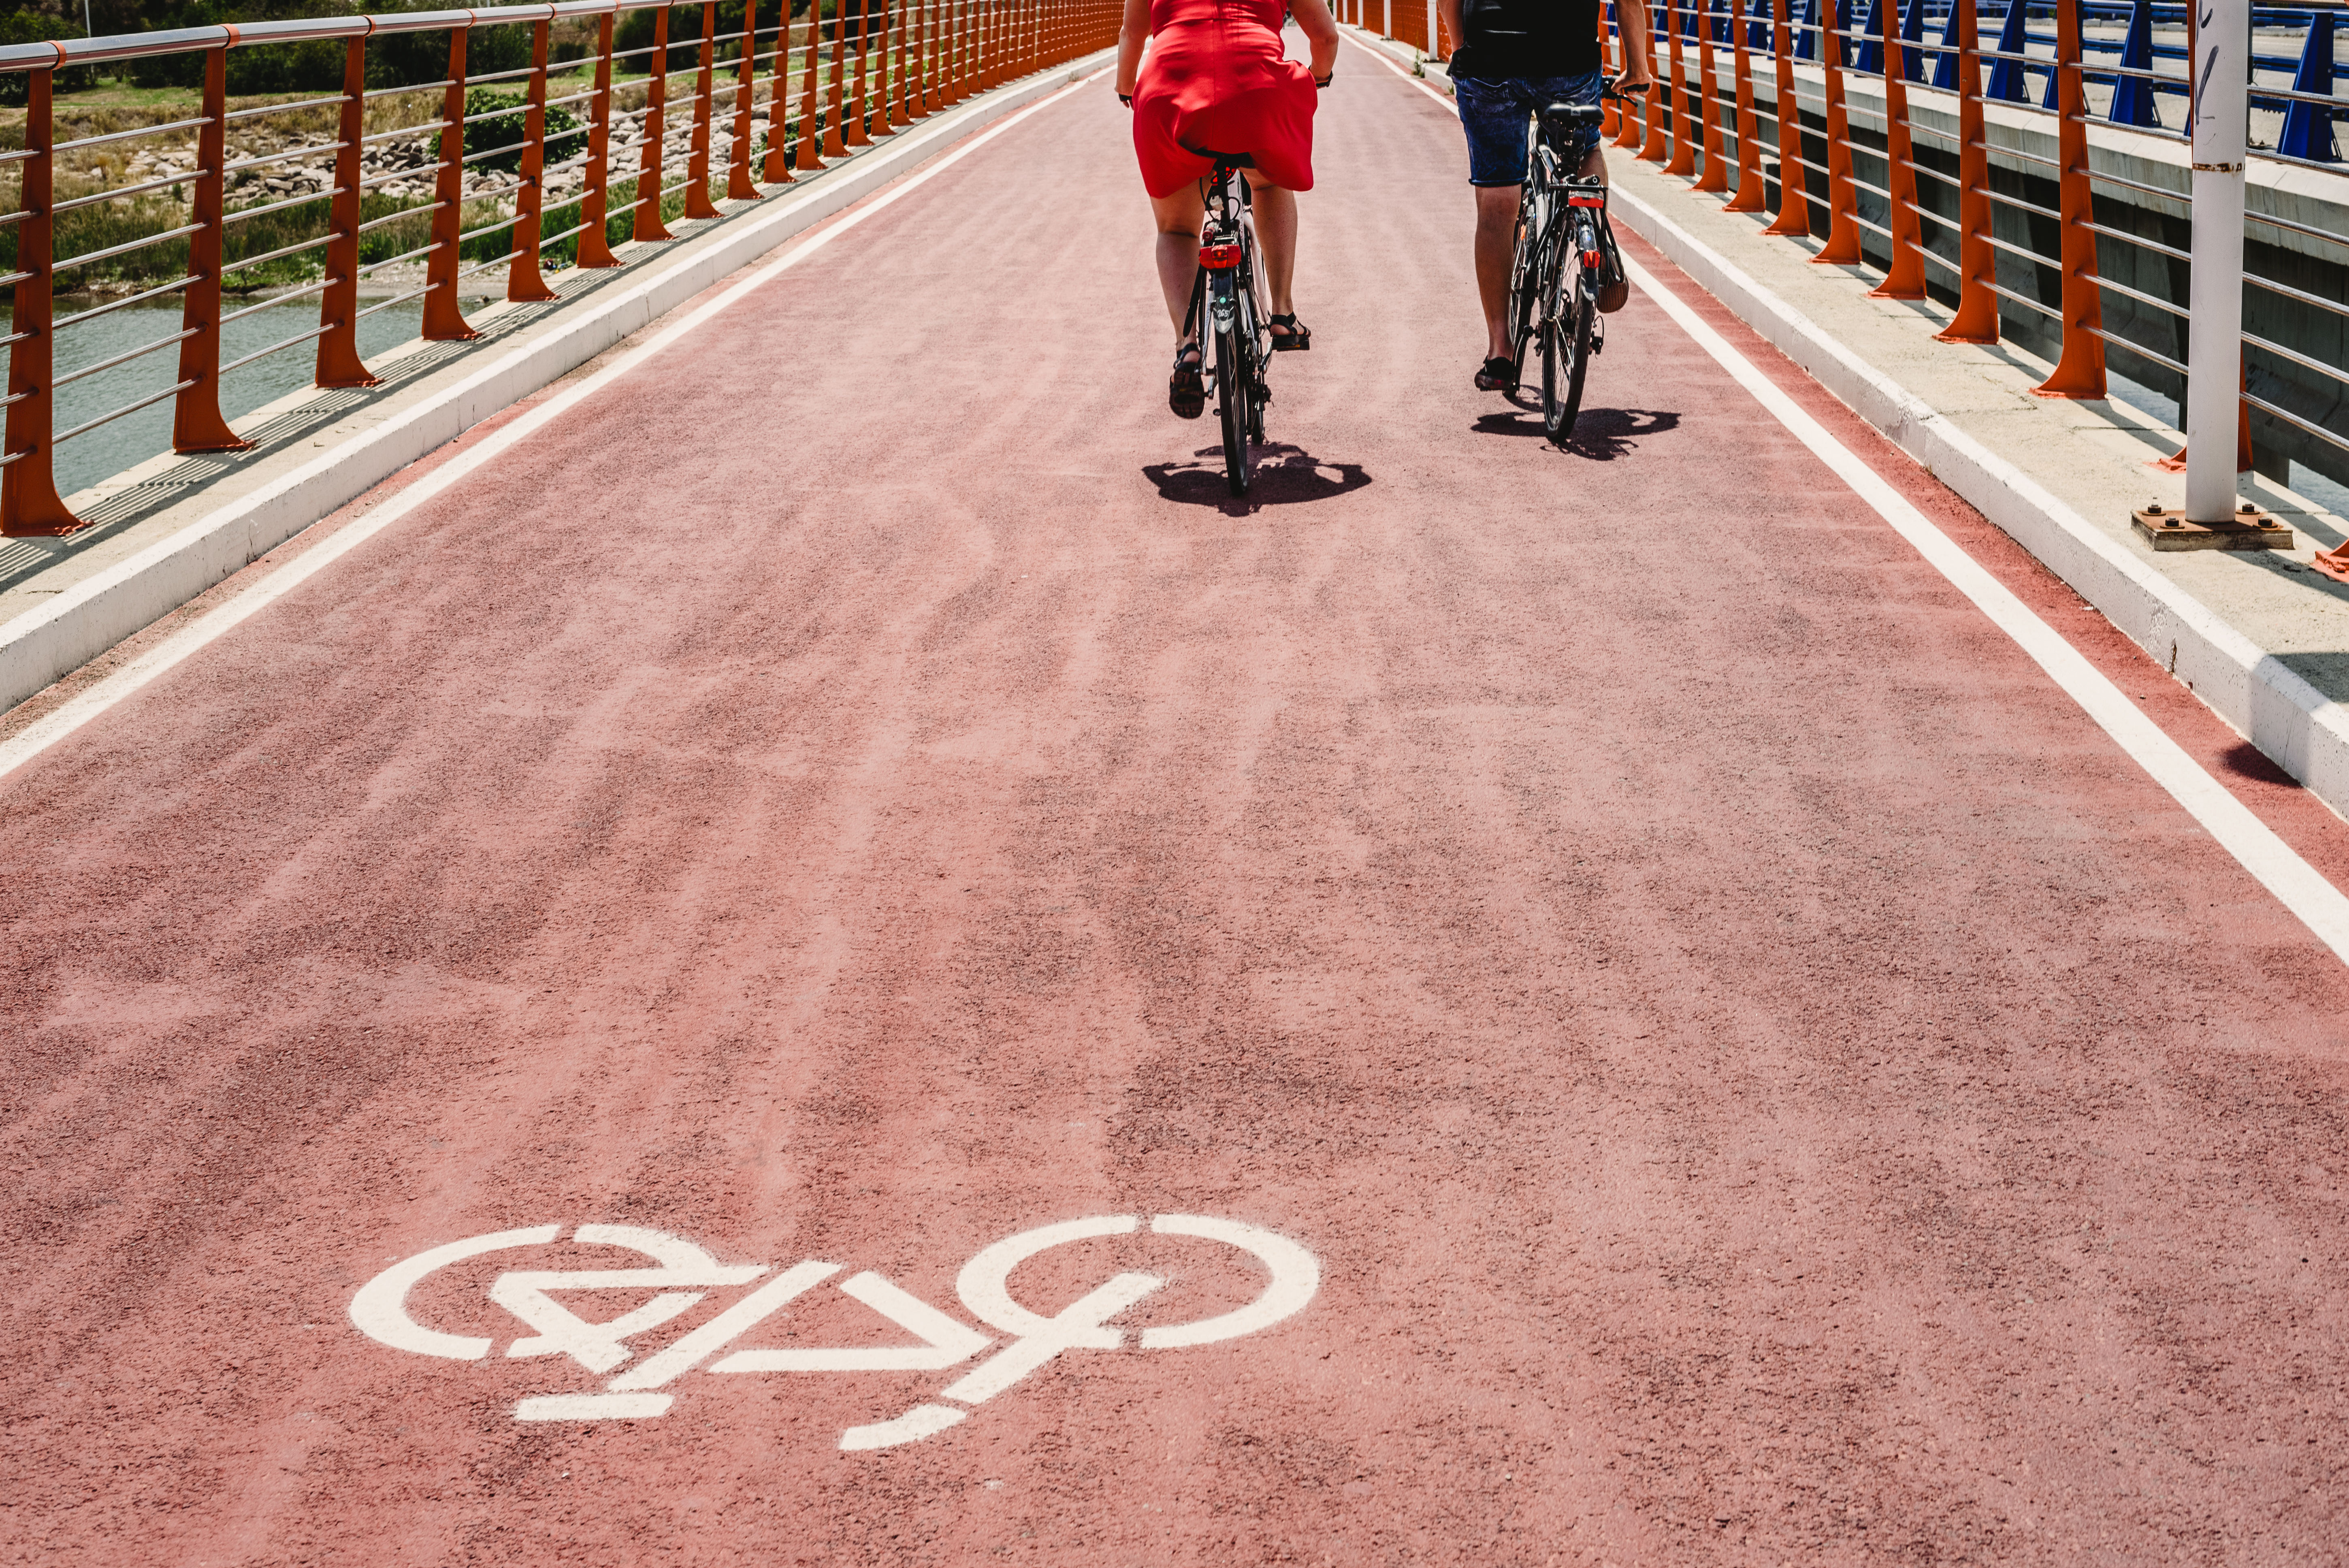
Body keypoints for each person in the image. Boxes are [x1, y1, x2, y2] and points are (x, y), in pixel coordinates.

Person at [1119, 0, 1341, 419]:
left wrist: (1125, 87)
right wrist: (1321, 75)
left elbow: (1133, 35)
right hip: (1255, 89)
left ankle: (1187, 348)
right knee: (1270, 181)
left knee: (1177, 231)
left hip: (1171, 95)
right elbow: (1326, 36)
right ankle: (1282, 312)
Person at [1437, 0, 1654, 392]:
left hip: (1490, 55)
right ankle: (1594, 228)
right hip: (1567, 56)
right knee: (1586, 151)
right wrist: (1637, 67)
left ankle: (1500, 351)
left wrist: (1463, 50)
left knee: (1498, 202)